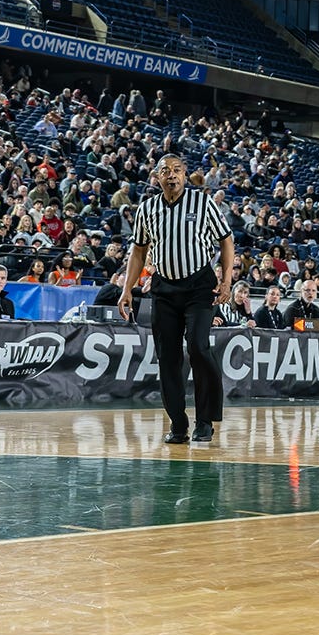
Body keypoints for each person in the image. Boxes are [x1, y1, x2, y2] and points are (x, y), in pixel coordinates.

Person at [119, 153, 233, 447]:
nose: (171, 174)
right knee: (167, 357)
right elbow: (139, 251)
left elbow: (226, 239)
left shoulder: (203, 203)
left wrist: (227, 280)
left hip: (199, 286)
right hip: (164, 288)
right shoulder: (147, 209)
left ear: (184, 175)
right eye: (165, 171)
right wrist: (127, 289)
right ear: (157, 177)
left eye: (177, 170)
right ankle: (178, 423)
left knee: (198, 346)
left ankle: (205, 420)